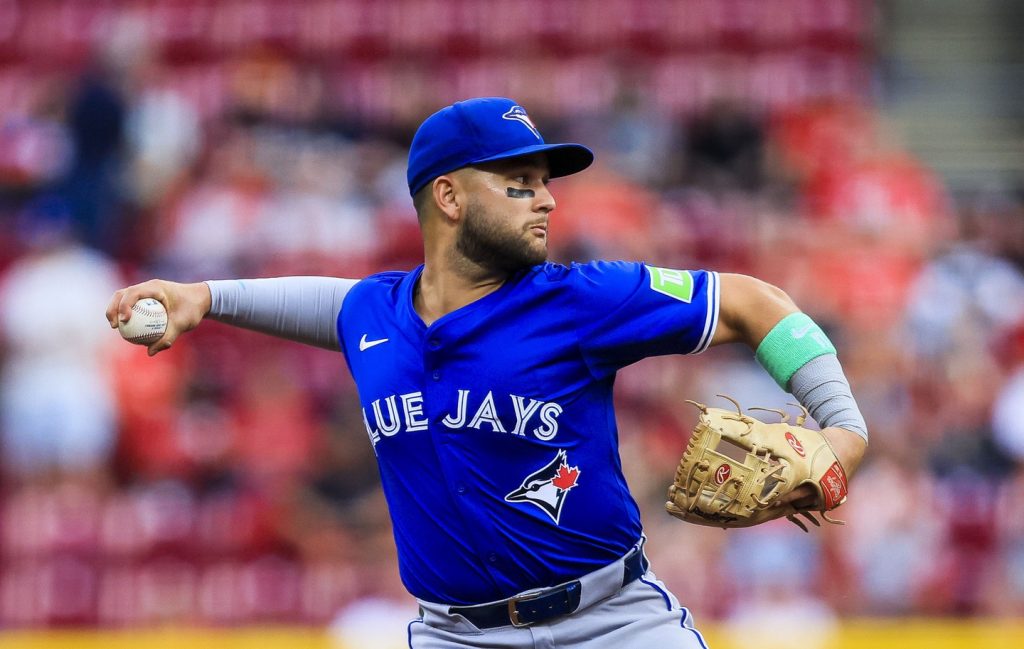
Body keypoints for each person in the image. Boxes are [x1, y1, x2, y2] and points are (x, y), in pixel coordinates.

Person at [106, 97, 868, 647]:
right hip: (456, 636)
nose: (545, 199)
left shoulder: (580, 299)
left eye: (545, 181)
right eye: (520, 182)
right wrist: (200, 297)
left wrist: (845, 429)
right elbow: (329, 305)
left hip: (612, 623)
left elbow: (753, 303)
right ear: (448, 196)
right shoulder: (377, 315)